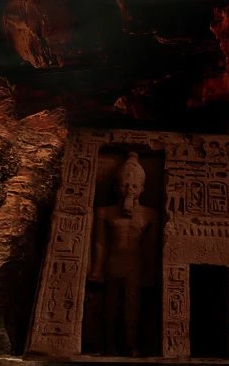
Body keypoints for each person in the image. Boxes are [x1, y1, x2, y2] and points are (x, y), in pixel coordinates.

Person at [89, 152, 159, 356]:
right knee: (110, 306)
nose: (129, 190)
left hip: (135, 263)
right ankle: (109, 346)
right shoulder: (104, 212)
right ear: (116, 188)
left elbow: (151, 247)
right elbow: (100, 243)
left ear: (142, 189)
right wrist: (96, 269)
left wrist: (151, 271)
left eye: (134, 186)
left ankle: (132, 345)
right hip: (113, 262)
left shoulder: (150, 214)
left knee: (132, 307)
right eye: (125, 185)